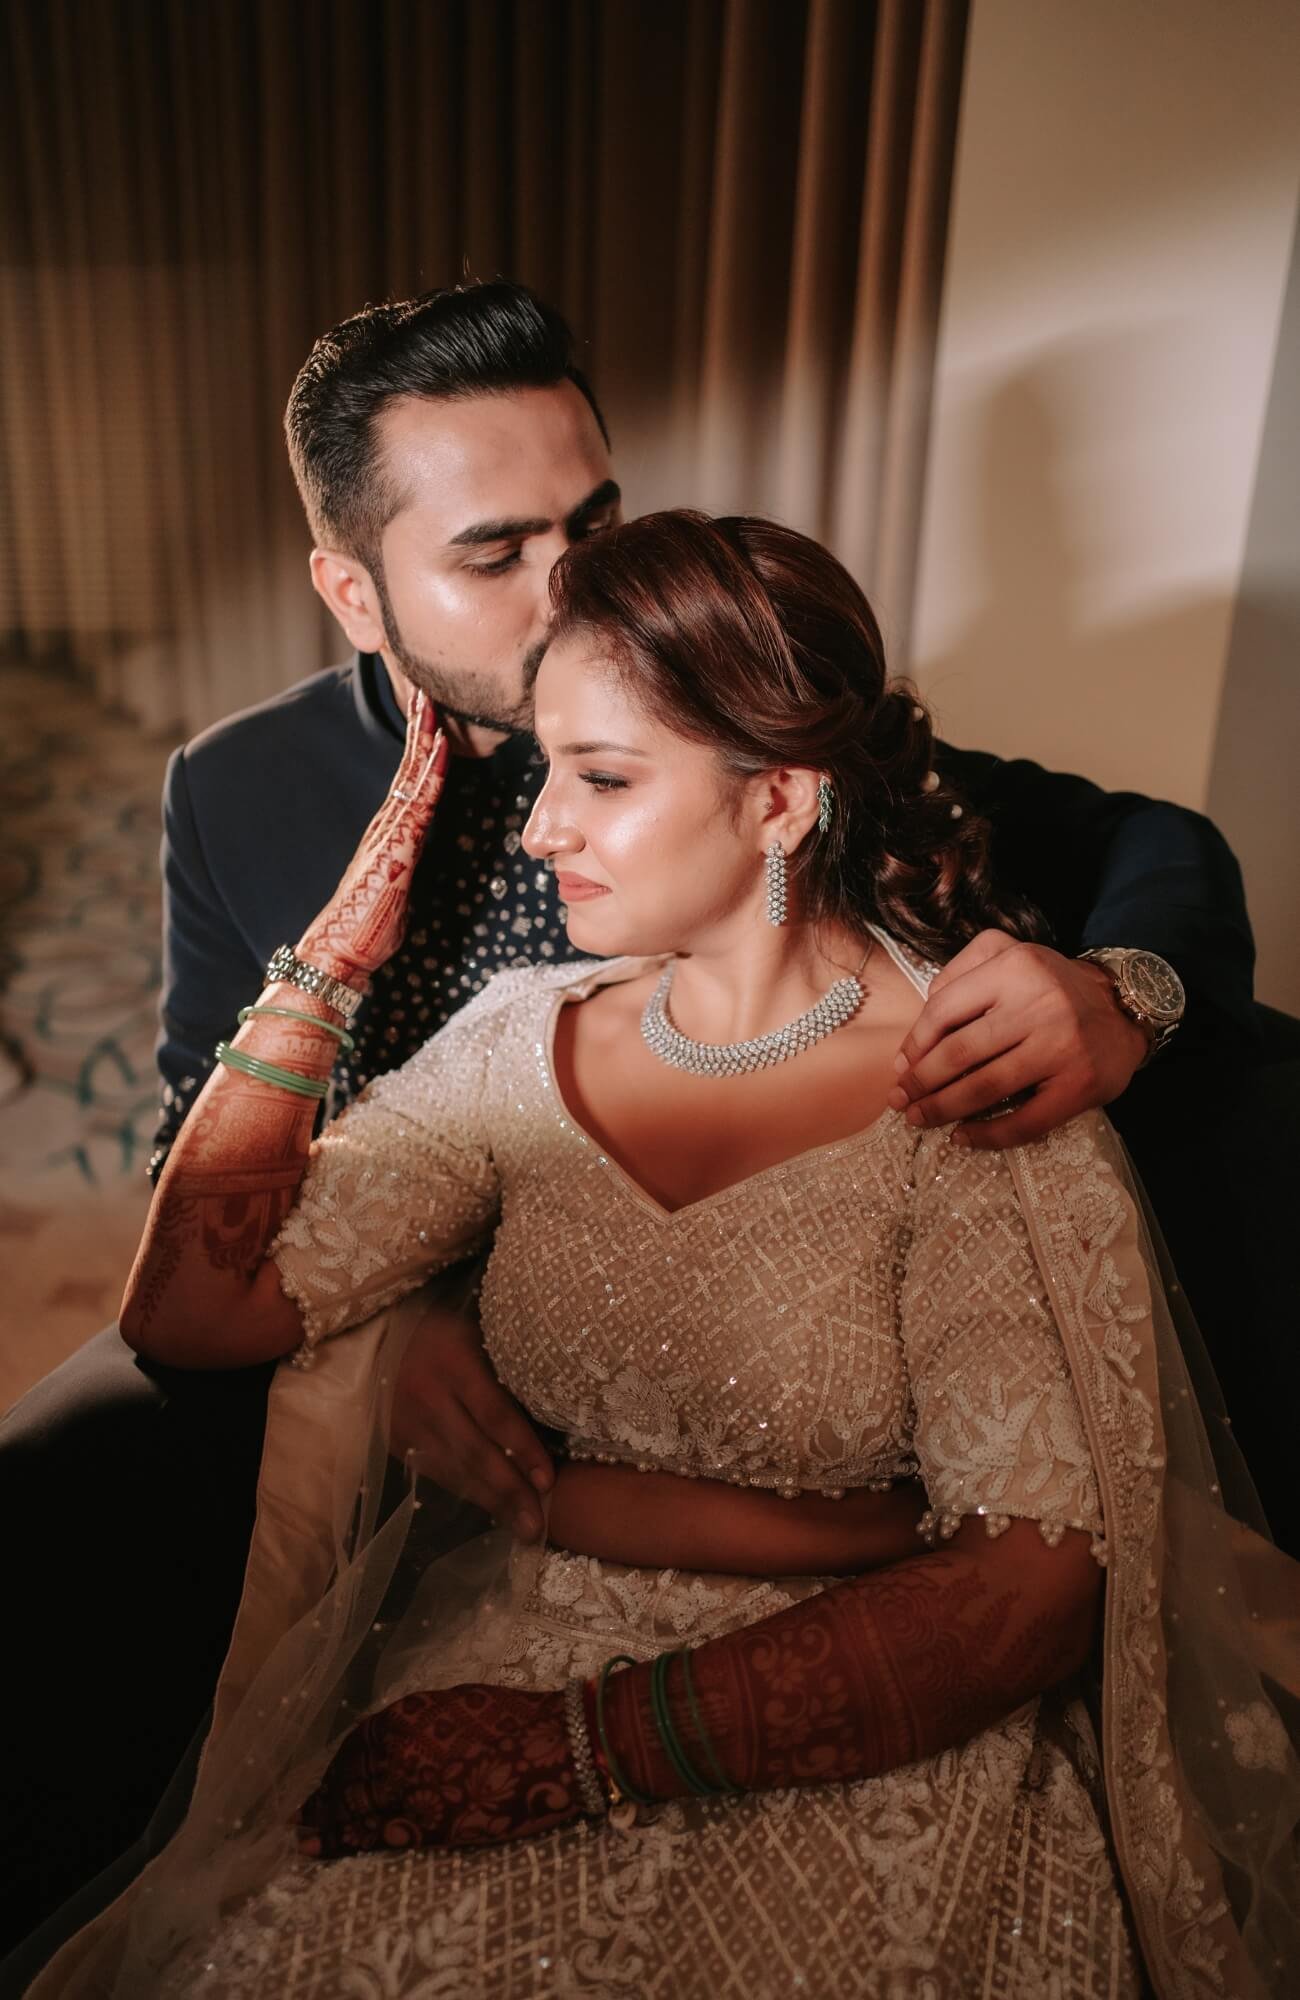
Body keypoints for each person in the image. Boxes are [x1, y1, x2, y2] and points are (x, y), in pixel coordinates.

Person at [0, 282, 1275, 1959]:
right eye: (495, 552)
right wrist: (409, 1300)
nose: (570, 589)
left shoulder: (717, 700)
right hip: (424, 1345)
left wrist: (1124, 988)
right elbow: (209, 1207)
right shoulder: (251, 796)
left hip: (802, 1464)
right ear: (353, 589)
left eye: (592, 523)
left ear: (774, 791)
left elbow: (1146, 842)